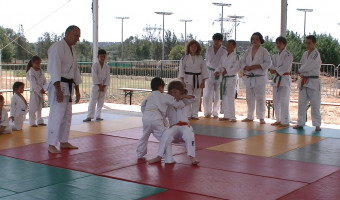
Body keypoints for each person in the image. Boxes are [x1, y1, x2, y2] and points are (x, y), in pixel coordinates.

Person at [46, 25, 82, 153]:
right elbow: (54, 68)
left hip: (68, 85)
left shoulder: (72, 49)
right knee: (57, 114)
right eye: (76, 35)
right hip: (59, 85)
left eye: (79, 36)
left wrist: (77, 89)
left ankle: (64, 141)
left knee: (67, 115)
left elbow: (75, 70)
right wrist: (58, 90)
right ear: (67, 34)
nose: (78, 39)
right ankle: (51, 144)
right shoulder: (57, 47)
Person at [136, 77, 188, 161]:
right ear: (160, 87)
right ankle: (169, 158)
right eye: (163, 88)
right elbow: (178, 104)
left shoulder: (149, 97)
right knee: (165, 137)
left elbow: (143, 107)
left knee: (144, 136)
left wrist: (146, 115)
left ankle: (140, 153)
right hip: (156, 119)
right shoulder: (164, 96)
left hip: (146, 117)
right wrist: (182, 101)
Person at [148, 81, 199, 165]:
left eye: (175, 92)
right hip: (173, 127)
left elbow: (195, 98)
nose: (173, 94)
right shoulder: (168, 103)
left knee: (189, 134)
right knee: (166, 134)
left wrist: (183, 96)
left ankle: (192, 157)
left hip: (185, 126)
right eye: (171, 92)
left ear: (180, 91)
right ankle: (159, 156)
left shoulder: (184, 101)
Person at [240, 32, 271, 124]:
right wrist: (245, 67)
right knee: (249, 97)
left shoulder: (264, 51)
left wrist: (255, 67)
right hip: (249, 77)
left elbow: (268, 63)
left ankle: (261, 117)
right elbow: (242, 61)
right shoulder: (248, 51)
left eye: (257, 38)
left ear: (260, 40)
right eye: (253, 38)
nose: (254, 40)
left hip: (259, 78)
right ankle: (250, 116)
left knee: (260, 98)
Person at [293, 35, 322, 131]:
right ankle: (300, 123)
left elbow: (309, 65)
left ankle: (317, 125)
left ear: (314, 43)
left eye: (309, 43)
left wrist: (300, 70)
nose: (307, 45)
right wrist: (301, 71)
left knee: (315, 104)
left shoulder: (316, 54)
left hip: (313, 81)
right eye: (306, 43)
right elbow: (303, 64)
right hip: (304, 81)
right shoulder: (305, 53)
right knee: (302, 103)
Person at [178, 40, 208, 120]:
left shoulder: (201, 58)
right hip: (187, 79)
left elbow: (204, 70)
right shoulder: (184, 58)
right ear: (189, 48)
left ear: (197, 48)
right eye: (192, 46)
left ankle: (195, 114)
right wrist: (182, 80)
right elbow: (181, 70)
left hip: (198, 79)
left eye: (195, 47)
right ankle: (188, 114)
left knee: (197, 97)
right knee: (188, 97)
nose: (193, 48)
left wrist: (203, 81)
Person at [269, 36, 293, 127]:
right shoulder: (275, 56)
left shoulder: (288, 55)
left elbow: (285, 67)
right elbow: (272, 66)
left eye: (280, 43)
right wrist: (274, 70)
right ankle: (278, 119)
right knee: (276, 100)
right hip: (276, 79)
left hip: (284, 79)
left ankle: (285, 121)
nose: (278, 45)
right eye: (277, 43)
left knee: (284, 100)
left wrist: (275, 70)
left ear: (284, 44)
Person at [83, 49, 110, 122]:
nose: (103, 58)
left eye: (104, 56)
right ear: (98, 57)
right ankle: (89, 116)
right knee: (93, 100)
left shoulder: (107, 66)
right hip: (96, 85)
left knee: (101, 101)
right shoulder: (95, 65)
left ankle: (98, 115)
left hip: (104, 85)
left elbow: (108, 77)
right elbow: (94, 76)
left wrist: (104, 86)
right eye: (101, 56)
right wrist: (99, 85)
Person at [203, 33, 226, 118]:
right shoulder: (209, 49)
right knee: (207, 94)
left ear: (221, 41)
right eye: (215, 40)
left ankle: (215, 112)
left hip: (219, 73)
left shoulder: (224, 50)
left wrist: (219, 70)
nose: (216, 42)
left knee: (218, 94)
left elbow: (224, 62)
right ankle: (207, 112)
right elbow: (207, 61)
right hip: (209, 72)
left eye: (218, 40)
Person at [219, 40, 240, 122]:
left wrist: (227, 71)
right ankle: (226, 115)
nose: (228, 47)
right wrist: (219, 71)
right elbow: (220, 66)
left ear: (234, 47)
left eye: (230, 45)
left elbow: (237, 67)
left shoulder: (236, 56)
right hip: (224, 78)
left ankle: (232, 116)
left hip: (231, 78)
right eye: (227, 45)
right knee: (224, 97)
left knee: (230, 97)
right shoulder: (223, 56)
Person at [26, 55, 47, 127]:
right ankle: (32, 122)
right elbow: (33, 83)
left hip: (41, 90)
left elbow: (44, 80)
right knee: (33, 107)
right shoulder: (30, 71)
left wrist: (45, 88)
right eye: (37, 63)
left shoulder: (41, 70)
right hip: (34, 91)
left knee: (39, 107)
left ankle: (40, 121)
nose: (38, 65)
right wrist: (40, 89)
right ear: (32, 62)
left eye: (39, 63)